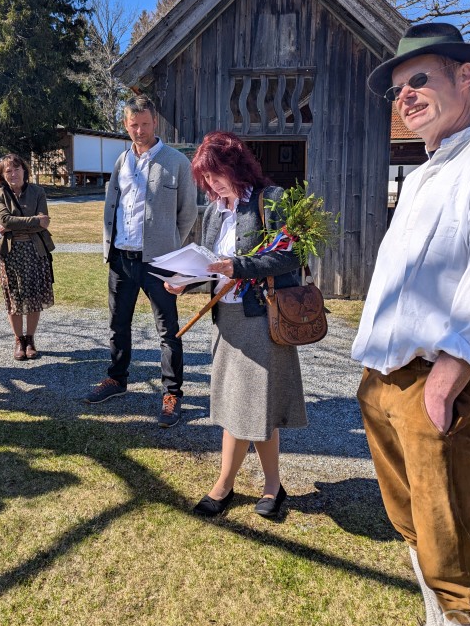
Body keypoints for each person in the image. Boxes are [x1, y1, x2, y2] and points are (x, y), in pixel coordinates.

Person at [352, 23, 470, 626]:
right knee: (410, 520)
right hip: (386, 377)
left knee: (446, 532)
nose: (405, 96)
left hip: (436, 381)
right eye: (398, 89)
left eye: (420, 80)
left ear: (465, 76)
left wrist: (449, 372)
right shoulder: (427, 170)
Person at [167, 132, 307, 517]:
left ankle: (242, 486)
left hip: (260, 319)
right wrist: (187, 281)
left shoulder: (272, 201)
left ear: (236, 165)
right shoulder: (214, 211)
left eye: (217, 174)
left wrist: (239, 266)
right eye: (206, 179)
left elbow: (292, 255)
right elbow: (211, 262)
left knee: (254, 404)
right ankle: (253, 485)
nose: (212, 184)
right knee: (238, 404)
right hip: (225, 319)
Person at [84, 94, 198, 428]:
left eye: (145, 124)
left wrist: (168, 245)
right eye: (133, 125)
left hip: (159, 262)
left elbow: (187, 213)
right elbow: (112, 206)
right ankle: (117, 379)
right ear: (126, 125)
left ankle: (172, 394)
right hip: (121, 258)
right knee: (118, 324)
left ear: (154, 123)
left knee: (168, 330)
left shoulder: (176, 162)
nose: (139, 131)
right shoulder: (122, 162)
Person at [0, 153, 54, 360]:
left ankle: (30, 339)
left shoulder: (37, 191)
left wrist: (15, 223)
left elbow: (44, 222)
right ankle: (19, 340)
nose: (13, 173)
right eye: (8, 170)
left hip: (35, 252)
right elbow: (6, 220)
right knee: (14, 299)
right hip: (10, 255)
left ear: (25, 171)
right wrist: (33, 220)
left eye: (17, 169)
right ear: (2, 175)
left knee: (33, 297)